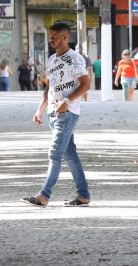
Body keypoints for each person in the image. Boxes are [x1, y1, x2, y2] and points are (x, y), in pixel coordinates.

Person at [22, 21, 91, 207]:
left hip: (67, 113)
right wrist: (40, 108)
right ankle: (83, 195)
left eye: (54, 37)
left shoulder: (75, 58)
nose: (51, 40)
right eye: (50, 37)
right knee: (70, 155)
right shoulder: (52, 59)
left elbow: (86, 84)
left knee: (54, 153)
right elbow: (50, 86)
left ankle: (44, 195)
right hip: (54, 113)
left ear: (65, 38)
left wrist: (67, 102)